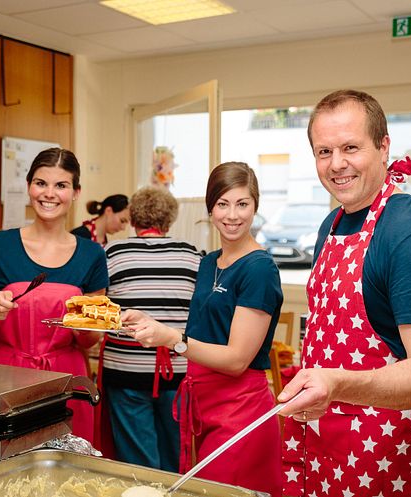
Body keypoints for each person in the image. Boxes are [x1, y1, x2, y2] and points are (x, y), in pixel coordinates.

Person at [278, 90, 411, 497]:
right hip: (325, 441)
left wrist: (336, 385)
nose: (336, 164)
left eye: (350, 148)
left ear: (383, 147)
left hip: (386, 457)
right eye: (323, 151)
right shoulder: (331, 225)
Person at [122, 162, 284, 497]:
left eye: (243, 204)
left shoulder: (259, 269)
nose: (233, 215)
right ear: (210, 207)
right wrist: (148, 321)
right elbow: (205, 328)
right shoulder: (209, 261)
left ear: (256, 206)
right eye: (223, 204)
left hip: (241, 410)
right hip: (203, 404)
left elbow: (237, 359)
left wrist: (172, 340)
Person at [0, 148, 108, 442]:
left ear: (76, 192)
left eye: (61, 185)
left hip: (67, 378)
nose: (49, 194)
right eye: (41, 183)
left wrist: (85, 325)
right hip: (4, 377)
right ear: (29, 186)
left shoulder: (92, 254)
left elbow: (90, 339)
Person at [99, 185, 201, 471]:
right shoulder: (192, 255)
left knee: (136, 463)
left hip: (125, 370)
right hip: (179, 370)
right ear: (169, 221)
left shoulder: (112, 252)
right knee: (174, 456)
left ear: (132, 219)